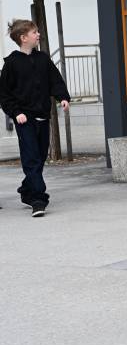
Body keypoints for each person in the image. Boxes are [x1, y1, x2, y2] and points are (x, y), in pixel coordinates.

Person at [0, 20, 70, 217]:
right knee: (31, 158)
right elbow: (4, 94)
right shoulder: (12, 63)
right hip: (24, 119)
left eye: (38, 31)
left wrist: (63, 97)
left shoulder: (43, 59)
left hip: (42, 117)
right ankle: (38, 200)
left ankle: (26, 189)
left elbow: (55, 80)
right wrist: (16, 112)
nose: (38, 35)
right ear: (23, 38)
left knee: (39, 158)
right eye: (34, 32)